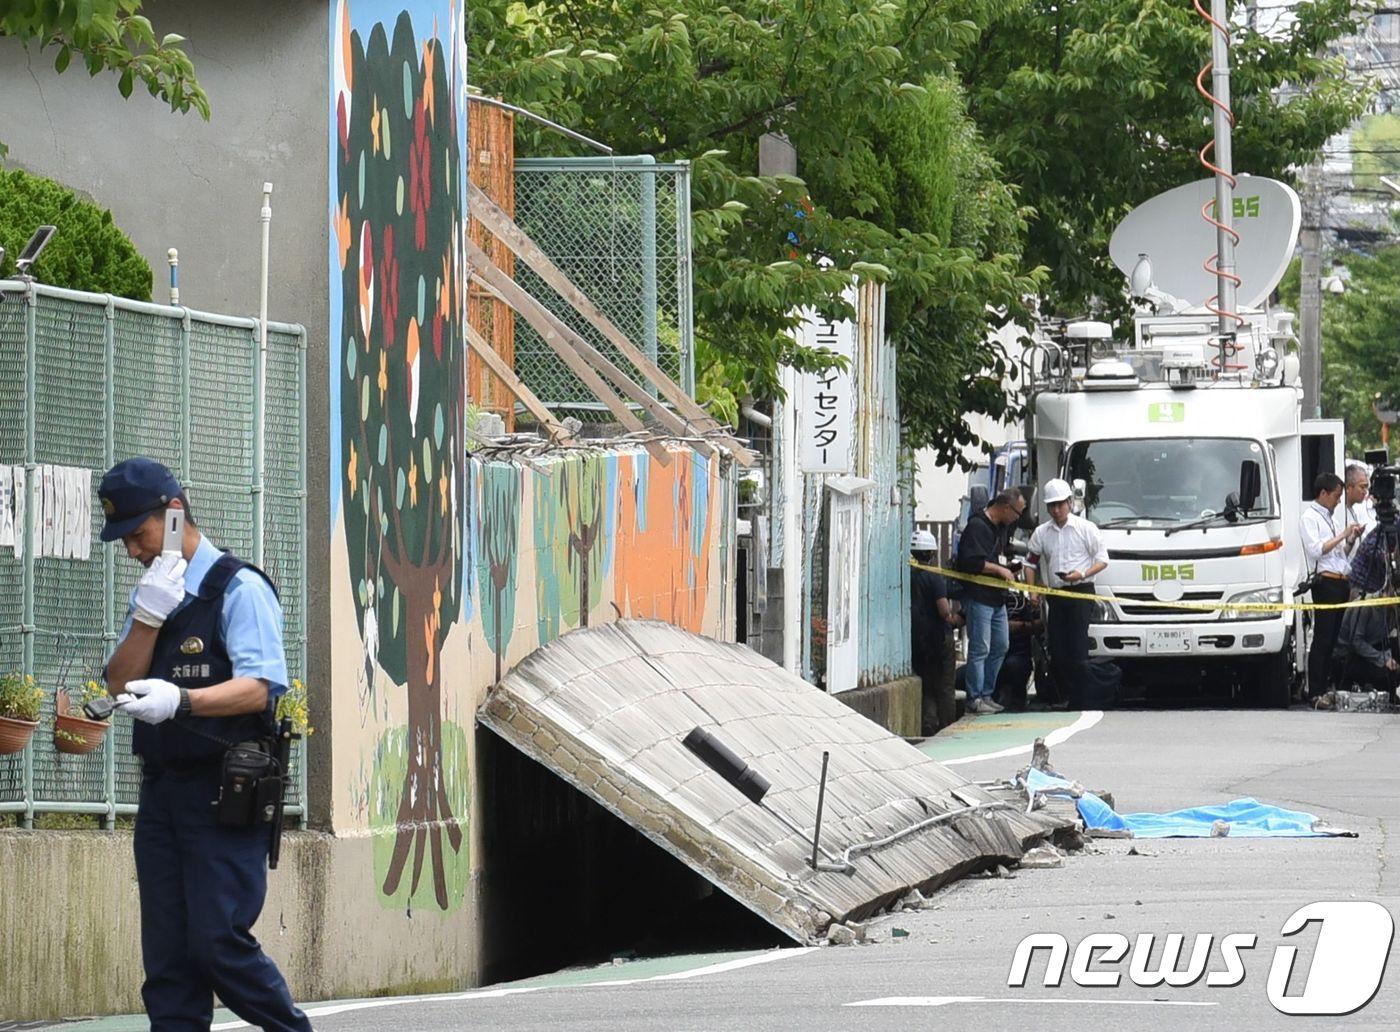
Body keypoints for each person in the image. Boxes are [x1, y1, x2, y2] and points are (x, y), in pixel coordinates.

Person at [100, 457, 312, 1032]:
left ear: (172, 515)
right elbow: (118, 683)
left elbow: (261, 686)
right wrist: (148, 617)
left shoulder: (238, 588)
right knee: (167, 960)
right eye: (123, 541)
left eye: (139, 536)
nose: (133, 551)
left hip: (225, 793)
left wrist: (183, 700)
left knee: (217, 942)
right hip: (164, 796)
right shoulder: (153, 593)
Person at [1025, 478, 1111, 709]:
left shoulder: (1086, 528)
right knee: (1058, 647)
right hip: (1056, 593)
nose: (1056, 509)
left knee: (1078, 646)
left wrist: (1081, 574)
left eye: (1061, 504)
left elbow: (1102, 560)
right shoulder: (1042, 533)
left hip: (1081, 590)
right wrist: (1033, 592)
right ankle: (1063, 695)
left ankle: (1082, 697)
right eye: (1052, 505)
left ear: (1070, 503)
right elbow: (1030, 562)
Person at [955, 489, 1024, 715]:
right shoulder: (977, 527)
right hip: (979, 596)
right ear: (1005, 507)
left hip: (997, 597)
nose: (1018, 518)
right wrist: (999, 569)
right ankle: (974, 697)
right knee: (980, 648)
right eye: (1017, 512)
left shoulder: (1001, 529)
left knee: (1001, 645)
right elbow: (971, 562)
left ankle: (987, 692)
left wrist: (1008, 568)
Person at [1302, 472, 1363, 698]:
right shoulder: (1310, 517)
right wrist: (1342, 535)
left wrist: (1351, 538)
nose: (1338, 501)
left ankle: (1326, 686)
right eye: (1336, 496)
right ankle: (1315, 691)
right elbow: (1317, 550)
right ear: (1323, 493)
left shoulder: (1332, 518)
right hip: (1325, 582)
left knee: (1334, 639)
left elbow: (1340, 555)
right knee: (1323, 637)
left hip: (1340, 581)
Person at [910, 530, 960, 733]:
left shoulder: (907, 574)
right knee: (945, 686)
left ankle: (929, 723)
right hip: (938, 638)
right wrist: (957, 619)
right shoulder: (935, 578)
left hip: (917, 638)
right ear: (931, 553)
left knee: (927, 685)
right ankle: (947, 727)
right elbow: (943, 610)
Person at [1331, 587, 1398, 694]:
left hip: (1372, 648)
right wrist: (1383, 659)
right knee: (1386, 674)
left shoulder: (1390, 610)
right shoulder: (1365, 605)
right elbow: (1356, 643)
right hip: (1349, 655)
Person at [993, 568, 1042, 712]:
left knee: (1015, 666)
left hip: (1018, 655)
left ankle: (1017, 701)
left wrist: (1021, 626)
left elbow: (1040, 624)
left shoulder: (1023, 602)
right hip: (993, 655)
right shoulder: (988, 602)